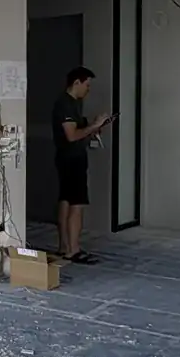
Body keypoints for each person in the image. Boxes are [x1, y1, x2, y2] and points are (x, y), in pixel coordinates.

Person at [52, 67, 113, 263]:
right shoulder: (65, 105)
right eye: (87, 85)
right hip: (72, 159)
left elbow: (79, 131)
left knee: (66, 200)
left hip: (68, 158)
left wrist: (92, 128)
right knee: (76, 203)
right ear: (76, 83)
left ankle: (64, 247)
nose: (88, 89)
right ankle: (73, 250)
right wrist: (94, 126)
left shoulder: (73, 104)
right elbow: (71, 135)